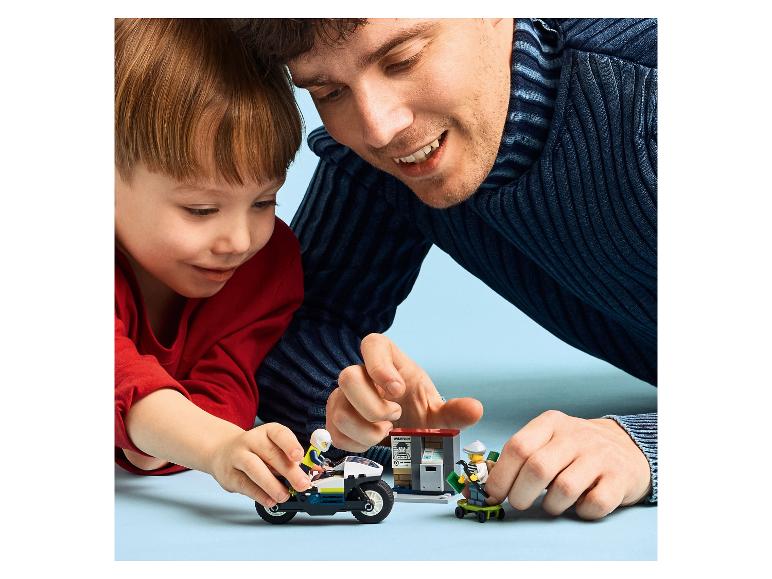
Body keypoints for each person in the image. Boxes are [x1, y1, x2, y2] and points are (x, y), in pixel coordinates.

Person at [236, 18, 658, 520]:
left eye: (403, 60)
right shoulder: (382, 160)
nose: (378, 128)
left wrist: (646, 446)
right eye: (327, 91)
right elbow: (287, 327)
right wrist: (355, 409)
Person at [114, 18, 313, 509]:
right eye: (200, 210)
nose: (239, 240)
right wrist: (214, 446)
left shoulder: (264, 267)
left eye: (265, 202)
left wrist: (172, 441)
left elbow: (229, 382)